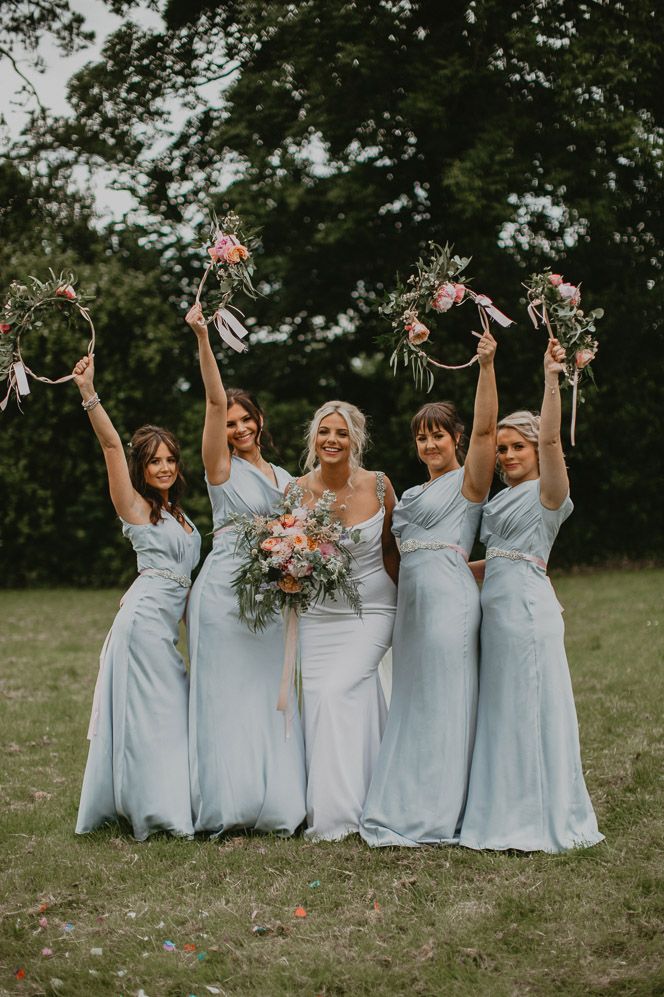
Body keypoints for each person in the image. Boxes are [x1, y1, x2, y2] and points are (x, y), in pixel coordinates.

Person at [459, 339, 604, 853]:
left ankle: (540, 816)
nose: (509, 455)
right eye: (502, 449)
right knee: (502, 709)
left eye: (517, 445)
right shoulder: (501, 499)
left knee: (531, 706)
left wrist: (550, 379)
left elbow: (551, 445)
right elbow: (492, 559)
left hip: (526, 609)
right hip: (494, 610)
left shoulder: (550, 493)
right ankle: (503, 813)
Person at [360, 330, 498, 846]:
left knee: (446, 701)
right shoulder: (412, 491)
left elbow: (487, 433)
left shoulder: (469, 485)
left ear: (455, 438)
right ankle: (408, 798)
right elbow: (393, 556)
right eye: (421, 437)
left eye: (438, 435)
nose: (429, 444)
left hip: (449, 605)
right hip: (411, 608)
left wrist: (486, 368)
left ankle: (443, 809)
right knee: (413, 701)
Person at [184, 303, 306, 837]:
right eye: (229, 423)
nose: (237, 428)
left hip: (271, 592)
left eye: (244, 419)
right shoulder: (220, 468)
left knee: (268, 694)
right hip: (222, 594)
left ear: (260, 421)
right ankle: (227, 805)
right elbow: (214, 398)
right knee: (225, 697)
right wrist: (203, 339)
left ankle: (277, 803)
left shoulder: (283, 475)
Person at [73, 354, 200, 841]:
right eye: (154, 461)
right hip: (142, 623)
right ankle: (158, 814)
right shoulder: (136, 507)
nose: (164, 467)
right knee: (157, 714)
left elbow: (185, 584)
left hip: (167, 624)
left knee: (170, 711)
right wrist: (89, 391)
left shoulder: (180, 516)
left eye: (170, 459)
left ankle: (166, 800)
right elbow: (109, 442)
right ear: (141, 467)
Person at [295, 401, 399, 840]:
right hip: (317, 616)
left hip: (373, 610)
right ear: (314, 439)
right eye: (324, 432)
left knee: (339, 692)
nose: (331, 440)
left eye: (340, 433)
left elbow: (395, 550)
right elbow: (288, 551)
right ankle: (359, 797)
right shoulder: (296, 490)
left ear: (355, 439)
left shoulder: (378, 485)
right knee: (321, 699)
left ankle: (341, 818)